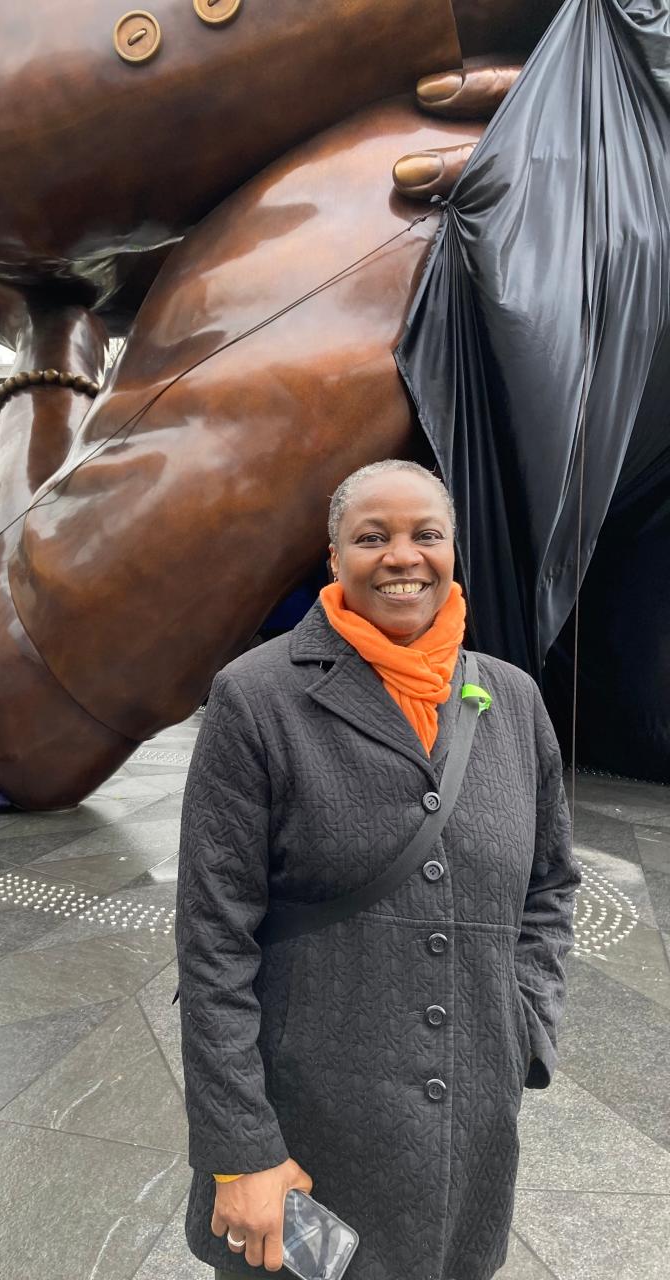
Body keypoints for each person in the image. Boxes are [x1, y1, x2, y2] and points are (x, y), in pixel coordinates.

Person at [176, 460, 580, 1280]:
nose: (404, 556)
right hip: (308, 1139)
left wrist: (524, 1027)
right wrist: (240, 1150)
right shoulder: (257, 698)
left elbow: (551, 886)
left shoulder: (513, 701)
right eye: (374, 537)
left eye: (426, 535)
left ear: (452, 549)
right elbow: (213, 943)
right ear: (335, 558)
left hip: (470, 1137)